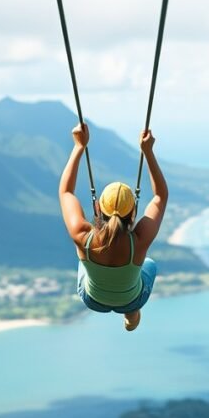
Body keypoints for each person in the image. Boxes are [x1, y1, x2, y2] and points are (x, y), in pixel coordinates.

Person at [59, 123, 168, 331]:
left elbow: (66, 192)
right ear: (133, 212)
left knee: (83, 259)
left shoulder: (82, 235)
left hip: (92, 299)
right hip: (131, 300)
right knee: (149, 264)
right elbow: (160, 196)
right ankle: (131, 314)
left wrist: (78, 147)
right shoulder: (139, 240)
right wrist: (148, 153)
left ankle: (125, 304)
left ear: (98, 207)